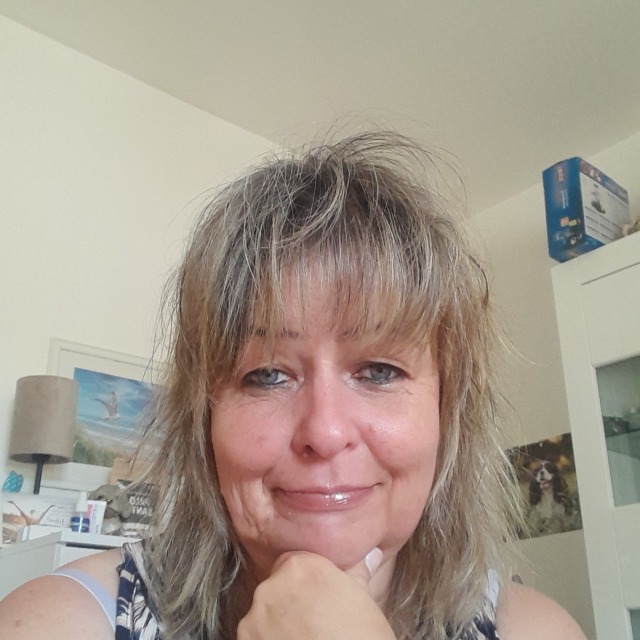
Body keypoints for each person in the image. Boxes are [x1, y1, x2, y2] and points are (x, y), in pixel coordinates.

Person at [0, 132, 586, 640]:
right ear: (204, 419)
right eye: (266, 375)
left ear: (446, 409)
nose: (324, 432)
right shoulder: (62, 620)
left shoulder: (534, 629)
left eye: (380, 371)